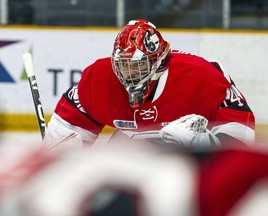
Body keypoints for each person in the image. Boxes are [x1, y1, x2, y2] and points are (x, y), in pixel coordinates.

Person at [43, 19, 255, 151]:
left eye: (138, 66)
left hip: (185, 161)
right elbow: (71, 123)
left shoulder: (201, 76)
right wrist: (59, 157)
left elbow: (240, 135)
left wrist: (206, 144)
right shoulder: (100, 77)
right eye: (123, 66)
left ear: (159, 60)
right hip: (130, 145)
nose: (129, 74)